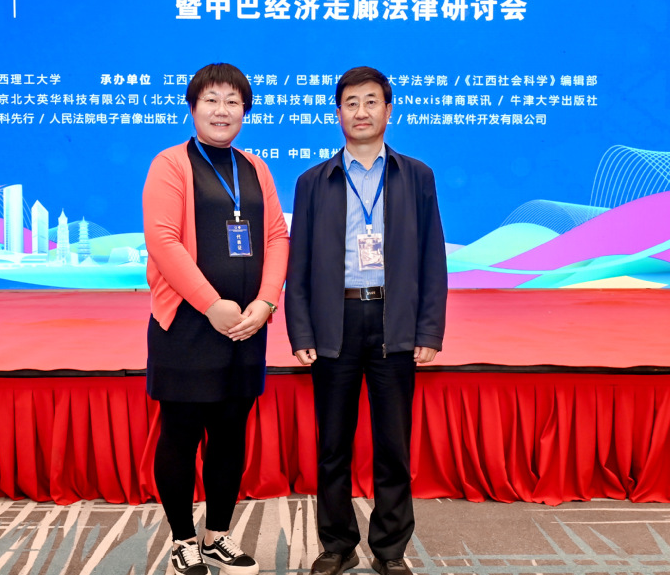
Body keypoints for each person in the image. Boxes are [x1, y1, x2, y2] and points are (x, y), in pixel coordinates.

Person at [285, 66, 448, 575]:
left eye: (371, 101)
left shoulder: (416, 176)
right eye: (351, 103)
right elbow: (298, 263)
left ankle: (390, 550)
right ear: (338, 113)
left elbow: (433, 258)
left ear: (388, 110)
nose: (361, 111)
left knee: (392, 446)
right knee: (333, 444)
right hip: (334, 321)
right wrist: (301, 330)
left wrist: (428, 330)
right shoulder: (314, 182)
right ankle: (337, 545)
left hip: (394, 320)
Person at [143, 63, 289, 575]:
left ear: (244, 111)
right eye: (211, 100)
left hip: (246, 326)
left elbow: (277, 236)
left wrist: (266, 303)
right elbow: (163, 241)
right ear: (193, 107)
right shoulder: (170, 163)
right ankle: (183, 540)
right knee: (181, 435)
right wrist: (211, 304)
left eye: (233, 101)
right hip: (187, 325)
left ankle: (217, 536)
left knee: (230, 435)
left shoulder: (255, 167)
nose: (222, 110)